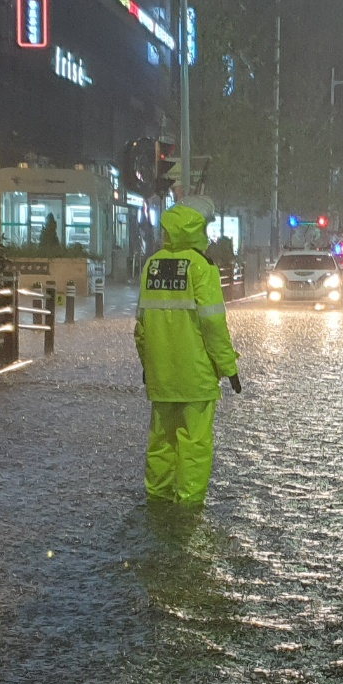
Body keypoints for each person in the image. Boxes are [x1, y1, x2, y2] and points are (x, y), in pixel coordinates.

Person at [135, 203, 241, 506]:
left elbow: (141, 326)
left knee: (161, 441)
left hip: (161, 373)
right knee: (194, 443)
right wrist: (228, 367)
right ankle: (189, 504)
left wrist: (148, 364)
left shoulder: (151, 266)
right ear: (195, 232)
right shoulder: (201, 268)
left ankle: (157, 497)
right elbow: (213, 324)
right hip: (196, 376)